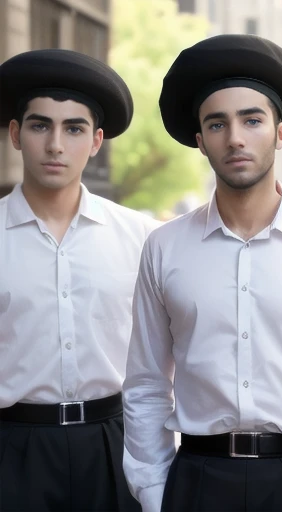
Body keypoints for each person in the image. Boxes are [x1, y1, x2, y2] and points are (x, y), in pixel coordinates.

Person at [123, 34, 282, 512]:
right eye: (217, 124)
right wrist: (155, 492)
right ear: (200, 141)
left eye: (252, 120)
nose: (234, 137)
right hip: (198, 480)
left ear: (280, 133)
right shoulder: (164, 246)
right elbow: (148, 382)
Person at [0, 48, 158, 512]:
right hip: (13, 450)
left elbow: (162, 361)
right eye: (39, 125)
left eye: (74, 128)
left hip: (114, 446)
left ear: (96, 141)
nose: (55, 145)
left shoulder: (143, 237)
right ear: (15, 134)